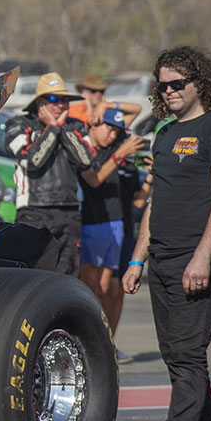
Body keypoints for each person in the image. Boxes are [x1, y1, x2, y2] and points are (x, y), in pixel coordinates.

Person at [123, 46, 211, 421]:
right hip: (162, 260)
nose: (168, 91)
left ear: (200, 83)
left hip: (201, 261)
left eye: (177, 83)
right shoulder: (165, 133)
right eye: (162, 85)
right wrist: (137, 259)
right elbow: (157, 201)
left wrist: (202, 258)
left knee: (187, 356)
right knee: (178, 359)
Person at [4, 73, 95, 276]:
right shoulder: (18, 125)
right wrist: (52, 129)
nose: (60, 105)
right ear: (40, 102)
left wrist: (62, 128)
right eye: (54, 99)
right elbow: (33, 161)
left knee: (68, 274)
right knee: (33, 274)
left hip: (69, 211)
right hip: (33, 211)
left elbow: (86, 160)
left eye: (64, 99)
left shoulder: (75, 126)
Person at [77, 106, 146, 364]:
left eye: (117, 130)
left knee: (109, 288)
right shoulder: (84, 148)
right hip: (92, 223)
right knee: (92, 288)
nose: (113, 134)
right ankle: (87, 341)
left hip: (115, 223)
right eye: (108, 128)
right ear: (93, 125)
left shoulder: (113, 143)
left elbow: (135, 110)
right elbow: (93, 180)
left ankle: (104, 343)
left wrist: (105, 106)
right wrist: (120, 155)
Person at [72, 74, 143, 128]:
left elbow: (137, 108)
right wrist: (89, 110)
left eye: (101, 91)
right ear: (83, 91)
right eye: (93, 91)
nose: (98, 94)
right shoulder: (72, 110)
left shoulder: (107, 111)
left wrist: (105, 105)